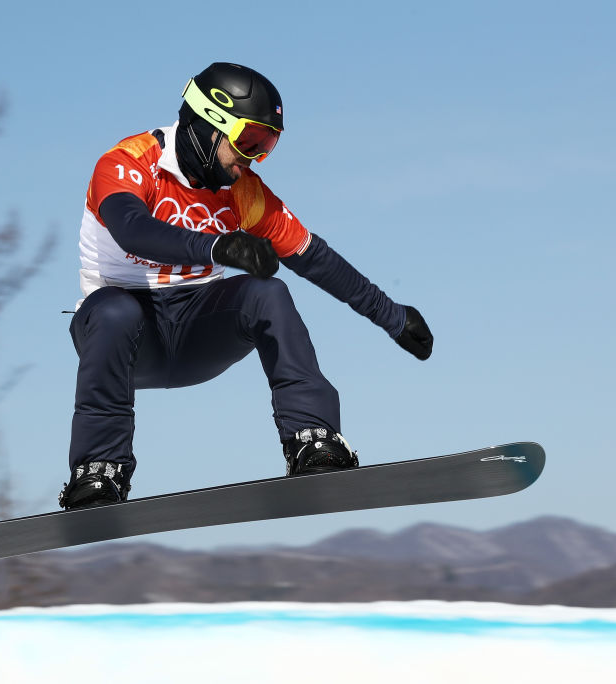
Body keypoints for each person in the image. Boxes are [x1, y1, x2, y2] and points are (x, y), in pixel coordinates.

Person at [59, 62, 433, 510]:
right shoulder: (128, 162)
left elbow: (316, 260)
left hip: (196, 332)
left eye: (267, 145)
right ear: (208, 124)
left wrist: (393, 317)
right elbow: (133, 230)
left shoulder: (243, 192)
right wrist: (218, 248)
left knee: (266, 293)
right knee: (112, 311)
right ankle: (99, 471)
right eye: (249, 141)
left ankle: (311, 440)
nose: (252, 158)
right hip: (126, 342)